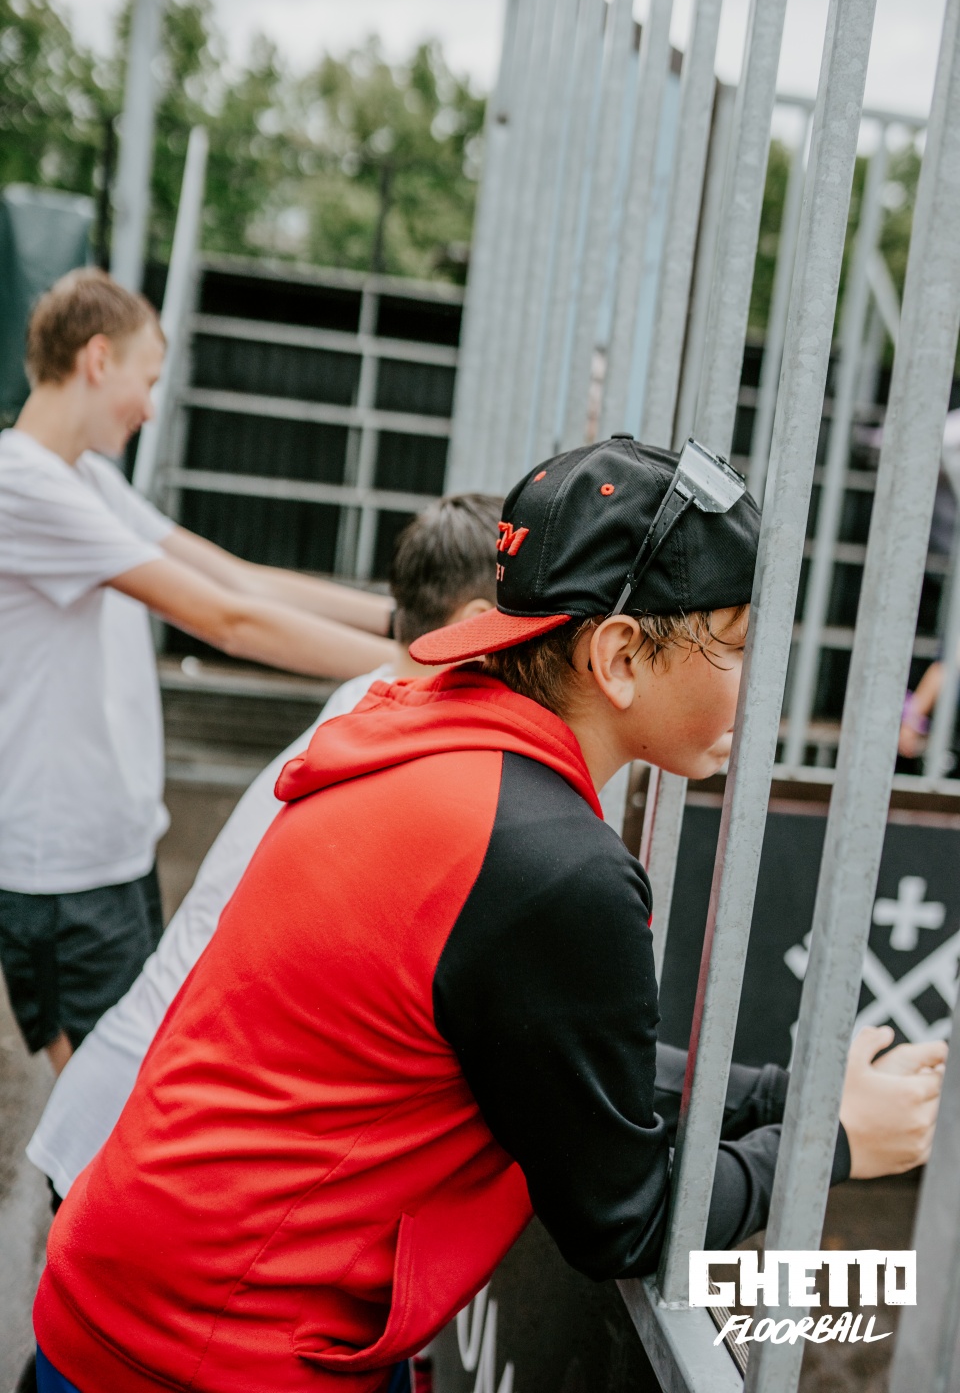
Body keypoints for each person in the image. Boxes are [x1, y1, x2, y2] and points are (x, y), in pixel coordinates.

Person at [33, 437, 945, 1393]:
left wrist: (783, 1096)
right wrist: (830, 1142)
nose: (761, 689)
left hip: (134, 1292)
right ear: (618, 656)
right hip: (203, 1353)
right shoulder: (548, 863)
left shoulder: (424, 735)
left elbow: (544, 1050)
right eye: (739, 645)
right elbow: (625, 1219)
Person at [25, 492, 502, 1202]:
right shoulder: (391, 739)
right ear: (475, 623)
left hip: (137, 1111)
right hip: (143, 1135)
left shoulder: (369, 698)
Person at [0, 268, 393, 1075]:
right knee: (106, 1114)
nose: (150, 408)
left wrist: (395, 621)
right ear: (98, 359)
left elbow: (234, 577)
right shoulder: (22, 484)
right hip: (60, 872)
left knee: (132, 1094)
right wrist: (416, 663)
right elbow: (224, 620)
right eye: (147, 381)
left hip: (114, 851)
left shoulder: (85, 477)